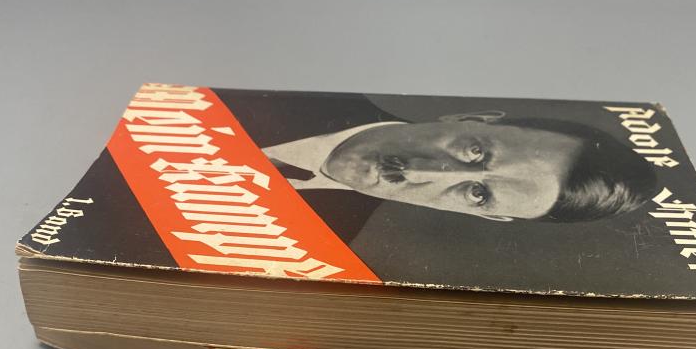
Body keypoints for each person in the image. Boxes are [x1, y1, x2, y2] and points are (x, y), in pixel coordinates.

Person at [261, 111, 657, 224]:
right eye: (473, 151)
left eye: (477, 194)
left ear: (488, 217)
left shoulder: (332, 246)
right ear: (471, 118)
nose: (419, 173)